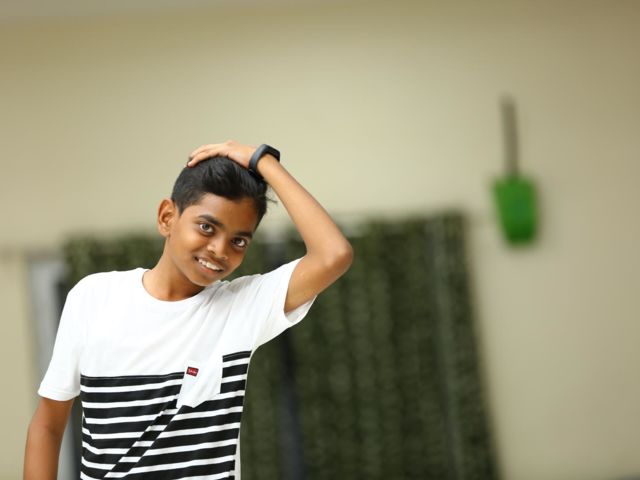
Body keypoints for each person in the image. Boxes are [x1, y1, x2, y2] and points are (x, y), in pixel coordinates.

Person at [24, 140, 353, 479]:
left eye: (238, 241)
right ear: (167, 217)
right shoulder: (93, 297)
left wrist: (263, 160)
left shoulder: (241, 307)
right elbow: (47, 425)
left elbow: (333, 254)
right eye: (207, 227)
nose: (219, 250)